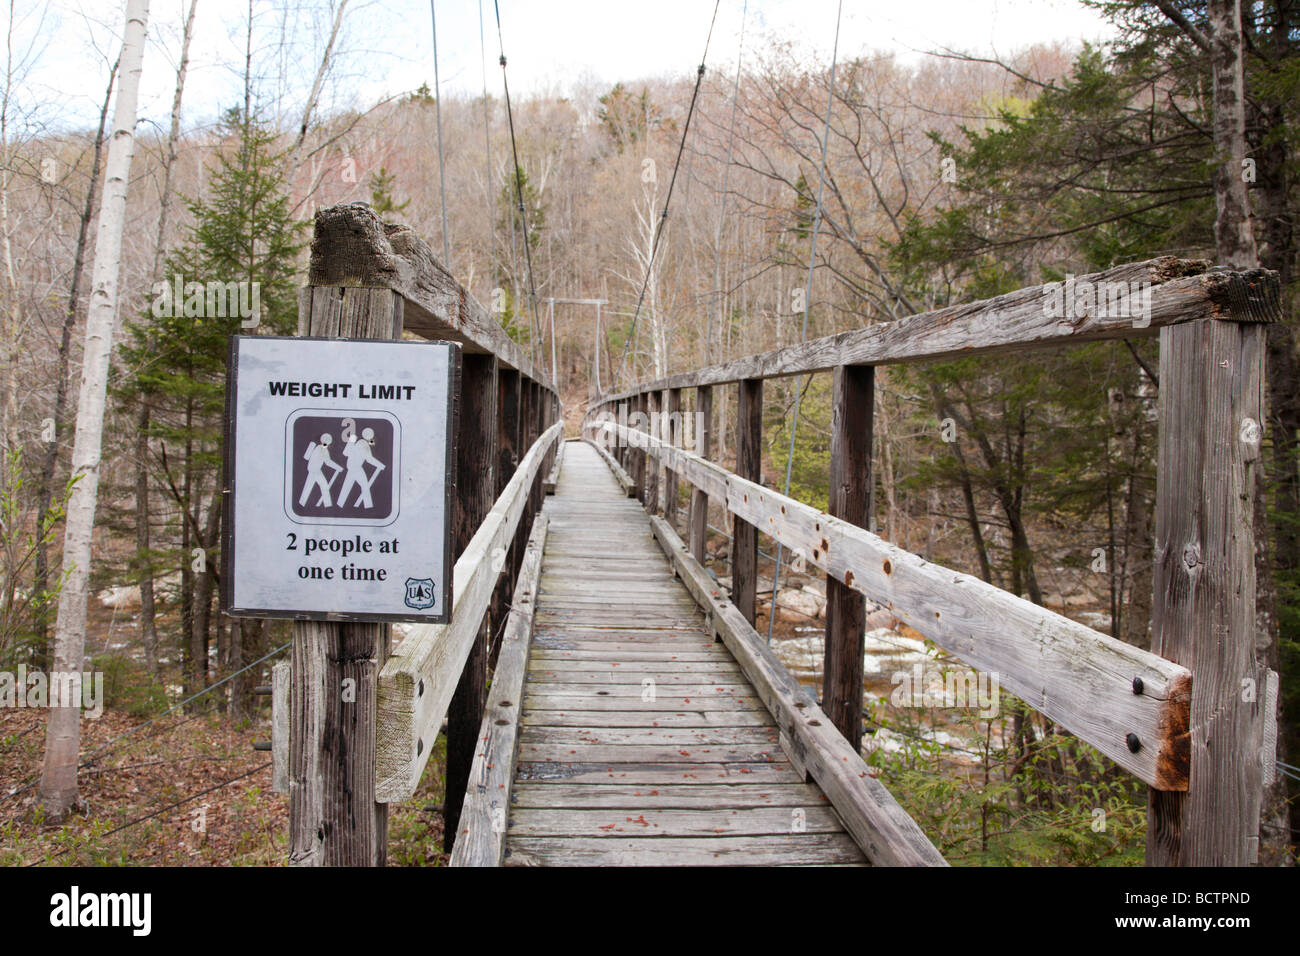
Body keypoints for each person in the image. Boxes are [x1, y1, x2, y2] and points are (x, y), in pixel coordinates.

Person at [338, 426, 386, 509]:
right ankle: (368, 506)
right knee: (365, 486)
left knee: (347, 487)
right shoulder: (363, 444)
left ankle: (340, 504)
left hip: (351, 468)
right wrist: (380, 465)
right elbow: (369, 459)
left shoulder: (358, 443)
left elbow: (346, 453)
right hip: (356, 469)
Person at [299, 432, 342, 507]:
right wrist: (338, 468)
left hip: (314, 470)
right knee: (322, 485)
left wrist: (338, 467)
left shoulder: (320, 447)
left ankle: (302, 503)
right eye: (328, 440)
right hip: (315, 470)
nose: (328, 442)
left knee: (312, 486)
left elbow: (327, 461)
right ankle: (327, 504)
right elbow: (328, 462)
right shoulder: (322, 449)